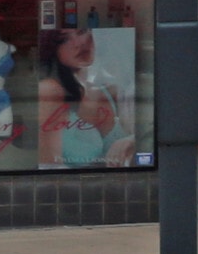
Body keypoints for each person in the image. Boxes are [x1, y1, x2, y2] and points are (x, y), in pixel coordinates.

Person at [36, 26, 132, 168]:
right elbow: (47, 166)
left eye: (81, 32)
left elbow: (149, 138)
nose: (79, 43)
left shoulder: (110, 90)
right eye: (64, 39)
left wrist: (131, 141)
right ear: (53, 49)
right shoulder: (49, 90)